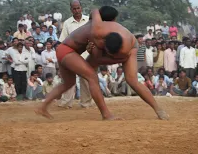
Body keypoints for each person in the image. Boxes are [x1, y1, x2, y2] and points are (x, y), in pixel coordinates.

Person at [35, 7, 169, 120]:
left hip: (73, 50)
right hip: (66, 50)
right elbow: (96, 58)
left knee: (132, 80)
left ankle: (158, 109)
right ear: (103, 42)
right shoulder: (97, 32)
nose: (111, 57)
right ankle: (106, 114)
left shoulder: (131, 45)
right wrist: (95, 21)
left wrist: (97, 53)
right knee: (91, 76)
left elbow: (99, 59)